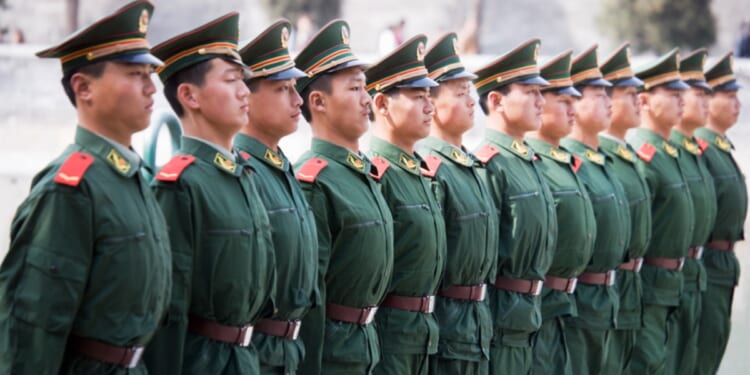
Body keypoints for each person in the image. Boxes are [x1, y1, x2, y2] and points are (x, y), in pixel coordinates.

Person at [0, 1, 171, 373]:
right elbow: (32, 326)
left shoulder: (130, 176)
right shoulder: (70, 189)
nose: (151, 87)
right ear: (83, 88)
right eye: (134, 73)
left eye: (150, 73)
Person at [144, 13, 276, 374]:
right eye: (232, 80)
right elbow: (169, 310)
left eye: (244, 82)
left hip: (247, 360)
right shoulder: (181, 185)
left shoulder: (243, 174)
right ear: (189, 95)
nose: (245, 92)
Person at [293, 19, 394, 374]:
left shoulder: (363, 172)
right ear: (318, 102)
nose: (366, 99)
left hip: (367, 348)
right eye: (354, 89)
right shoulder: (314, 180)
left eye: (365, 88)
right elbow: (310, 296)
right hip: (332, 356)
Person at [235, 19, 318, 375]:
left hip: (289, 353)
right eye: (283, 89)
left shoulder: (280, 167)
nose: (298, 100)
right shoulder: (241, 171)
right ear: (246, 97)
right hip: (255, 355)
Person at [472, 38, 557, 375]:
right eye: (530, 92)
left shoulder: (528, 161)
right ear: (497, 100)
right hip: (500, 321)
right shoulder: (491, 164)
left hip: (531, 317)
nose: (541, 101)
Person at [365, 35, 446, 375]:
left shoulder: (419, 172)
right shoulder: (376, 174)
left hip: (424, 335)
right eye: (418, 97)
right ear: (382, 105)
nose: (430, 107)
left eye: (430, 97)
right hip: (390, 339)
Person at [419, 32, 498, 375]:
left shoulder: (470, 165)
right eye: (461, 93)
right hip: (447, 328)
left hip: (477, 325)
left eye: (472, 92)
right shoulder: (431, 169)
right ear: (432, 103)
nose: (471, 102)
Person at [525, 50, 596, 375]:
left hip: (572, 303)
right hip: (540, 305)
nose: (573, 108)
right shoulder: (532, 165)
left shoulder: (565, 163)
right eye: (563, 101)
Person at [561, 45, 631, 375]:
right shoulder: (568, 165)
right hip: (578, 301)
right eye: (598, 94)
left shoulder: (601, 160)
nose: (609, 102)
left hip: (610, 296)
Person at [625, 48, 694, 375]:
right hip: (650, 283)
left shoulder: (669, 152)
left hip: (674, 281)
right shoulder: (643, 155)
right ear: (646, 100)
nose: (683, 98)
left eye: (683, 91)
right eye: (672, 92)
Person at [598, 42, 652, 375]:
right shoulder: (597, 161)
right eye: (627, 94)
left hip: (633, 287)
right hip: (605, 288)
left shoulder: (629, 155)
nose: (638, 101)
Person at [665, 48, 717, 375]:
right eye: (689, 93)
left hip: (694, 271)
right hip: (661, 277)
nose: (699, 102)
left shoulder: (691, 151)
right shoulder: (656, 155)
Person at [694, 52, 747, 375]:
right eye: (728, 97)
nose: (737, 104)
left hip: (723, 264)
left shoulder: (720, 147)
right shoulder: (702, 150)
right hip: (706, 264)